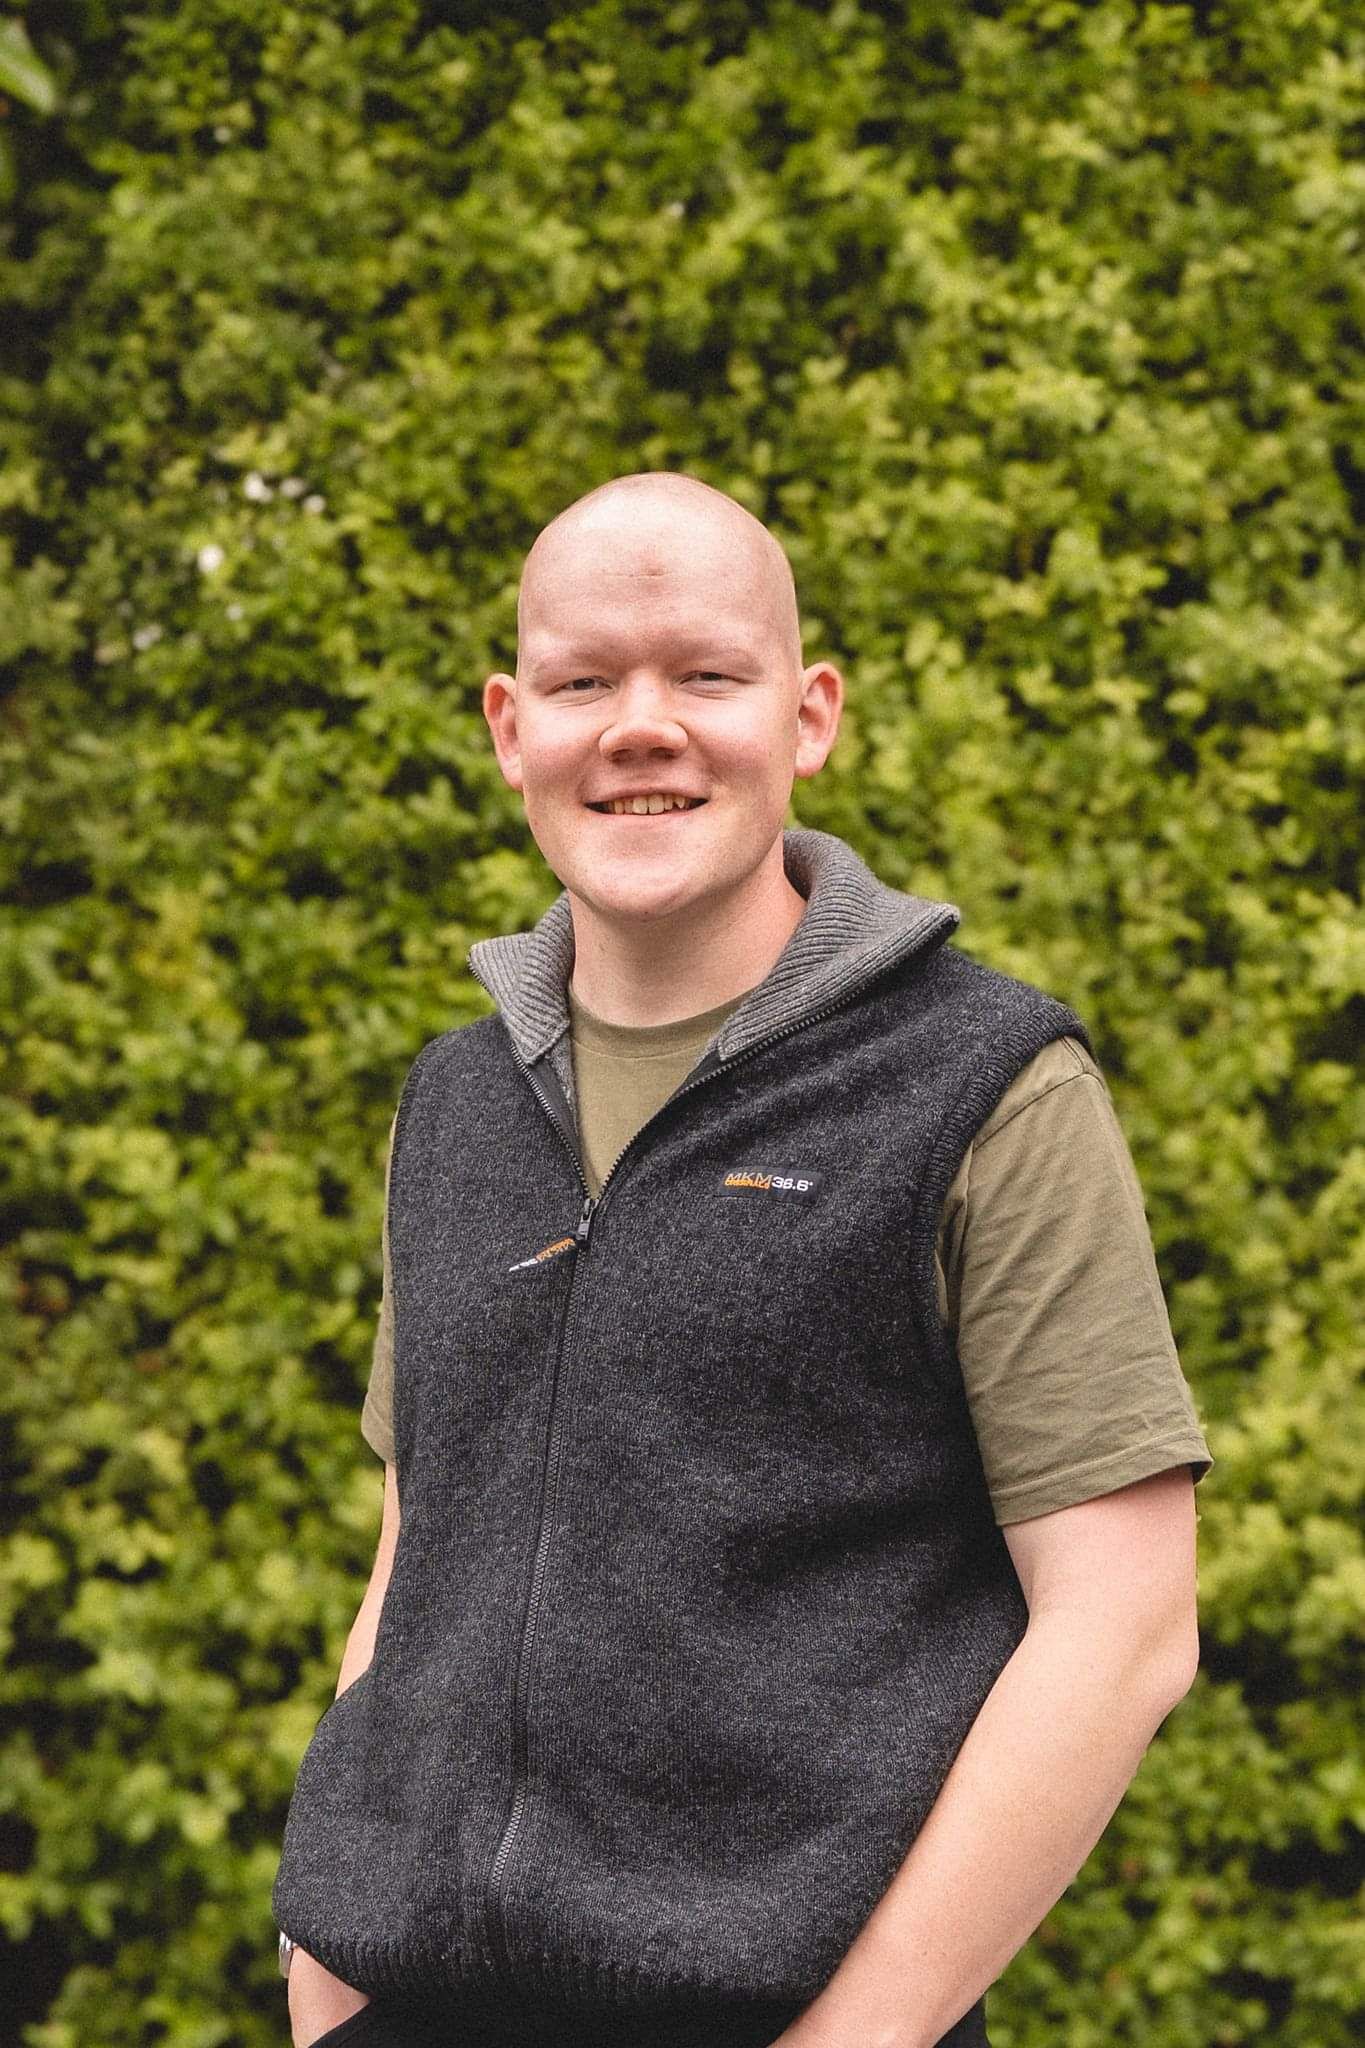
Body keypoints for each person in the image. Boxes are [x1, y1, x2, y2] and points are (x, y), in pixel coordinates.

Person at [272, 471, 1213, 2048]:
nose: (641, 728)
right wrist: (331, 1962)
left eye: (706, 674)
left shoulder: (981, 1085)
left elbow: (1120, 1632)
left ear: (807, 713)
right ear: (510, 727)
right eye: (583, 683)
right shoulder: (456, 1099)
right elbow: (420, 1540)